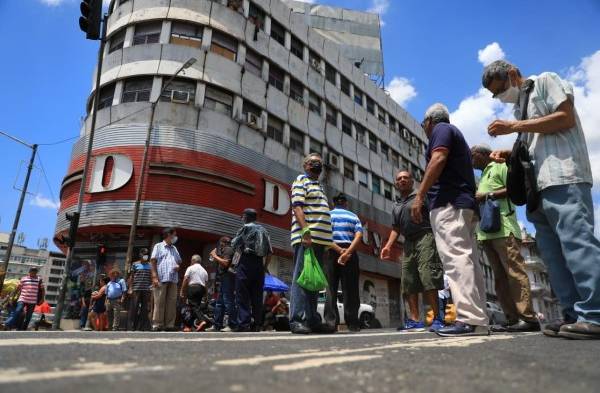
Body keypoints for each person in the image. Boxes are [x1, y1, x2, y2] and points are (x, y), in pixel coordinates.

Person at [483, 60, 600, 339]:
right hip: (538, 186)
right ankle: (573, 314)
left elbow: (564, 118)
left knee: (577, 243)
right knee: (553, 253)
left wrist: (514, 127)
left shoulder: (546, 80)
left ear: (512, 73)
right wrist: (510, 152)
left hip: (564, 175)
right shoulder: (518, 108)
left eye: (500, 89)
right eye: (494, 94)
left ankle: (595, 313)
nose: (500, 97)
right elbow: (534, 145)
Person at [412, 103, 489, 337]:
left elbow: (438, 158)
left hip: (449, 204)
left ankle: (469, 319)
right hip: (462, 204)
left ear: (429, 121)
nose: (424, 129)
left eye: (423, 125)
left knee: (457, 260)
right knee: (468, 261)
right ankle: (478, 319)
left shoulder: (441, 129)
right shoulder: (454, 134)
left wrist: (420, 195)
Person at [471, 144, 540, 332]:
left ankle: (528, 318)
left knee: (515, 273)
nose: (471, 159)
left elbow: (513, 189)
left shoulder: (500, 165)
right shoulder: (484, 174)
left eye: (473, 155)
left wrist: (487, 194)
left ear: (483, 154)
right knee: (500, 278)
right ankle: (511, 318)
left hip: (504, 229)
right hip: (487, 232)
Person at [381, 171, 445, 332]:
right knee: (408, 281)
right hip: (408, 241)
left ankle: (437, 318)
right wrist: (388, 245)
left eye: (405, 178)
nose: (402, 180)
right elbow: (396, 228)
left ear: (412, 181)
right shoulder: (396, 204)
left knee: (428, 276)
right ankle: (415, 320)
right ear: (396, 183)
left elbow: (436, 214)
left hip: (425, 236)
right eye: (399, 178)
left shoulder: (421, 195)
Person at [289, 153, 334, 334]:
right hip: (307, 238)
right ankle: (297, 320)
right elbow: (297, 206)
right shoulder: (301, 180)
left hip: (320, 241)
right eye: (314, 162)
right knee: (301, 278)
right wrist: (305, 231)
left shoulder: (320, 186)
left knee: (313, 281)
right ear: (306, 166)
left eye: (320, 163)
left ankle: (312, 320)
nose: (318, 165)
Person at [324, 193, 363, 333]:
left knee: (330, 289)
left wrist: (340, 250)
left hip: (332, 252)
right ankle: (353, 324)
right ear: (346, 203)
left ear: (334, 203)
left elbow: (325, 236)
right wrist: (347, 252)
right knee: (351, 290)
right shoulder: (353, 216)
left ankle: (330, 323)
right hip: (350, 252)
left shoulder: (328, 215)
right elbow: (359, 235)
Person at [231, 208, 273, 332]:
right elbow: (270, 252)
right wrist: (264, 267)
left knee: (242, 294)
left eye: (243, 216)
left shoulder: (244, 228)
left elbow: (234, 245)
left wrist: (235, 264)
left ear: (247, 217)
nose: (242, 218)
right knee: (257, 296)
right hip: (259, 264)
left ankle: (244, 324)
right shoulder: (264, 230)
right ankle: (257, 324)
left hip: (245, 262)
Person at [151, 227, 182, 331]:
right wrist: (155, 277)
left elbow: (179, 261)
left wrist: (178, 266)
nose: (176, 237)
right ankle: (157, 324)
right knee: (159, 302)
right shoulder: (158, 246)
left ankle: (169, 325)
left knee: (171, 303)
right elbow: (153, 261)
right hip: (161, 278)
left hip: (173, 279)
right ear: (169, 235)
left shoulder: (174, 248)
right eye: (174, 234)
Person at [207, 236, 237, 332]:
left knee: (228, 301)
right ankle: (217, 325)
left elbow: (226, 263)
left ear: (222, 243)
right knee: (219, 303)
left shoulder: (228, 249)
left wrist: (215, 256)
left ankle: (232, 324)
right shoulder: (226, 250)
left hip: (228, 277)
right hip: (224, 278)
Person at [180, 254, 210, 332]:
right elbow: (206, 284)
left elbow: (186, 279)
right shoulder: (204, 270)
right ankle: (189, 326)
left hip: (192, 288)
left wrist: (182, 290)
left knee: (193, 306)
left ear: (193, 260)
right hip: (201, 289)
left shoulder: (190, 268)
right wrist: (206, 294)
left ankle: (202, 320)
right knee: (195, 306)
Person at [127, 248, 153, 331]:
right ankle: (131, 327)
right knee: (134, 308)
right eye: (144, 254)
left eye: (147, 254)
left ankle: (142, 327)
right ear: (140, 255)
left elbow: (152, 277)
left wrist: (151, 288)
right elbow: (131, 277)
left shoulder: (150, 265)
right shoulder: (135, 264)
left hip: (146, 290)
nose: (146, 256)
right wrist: (130, 288)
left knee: (144, 309)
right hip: (136, 289)